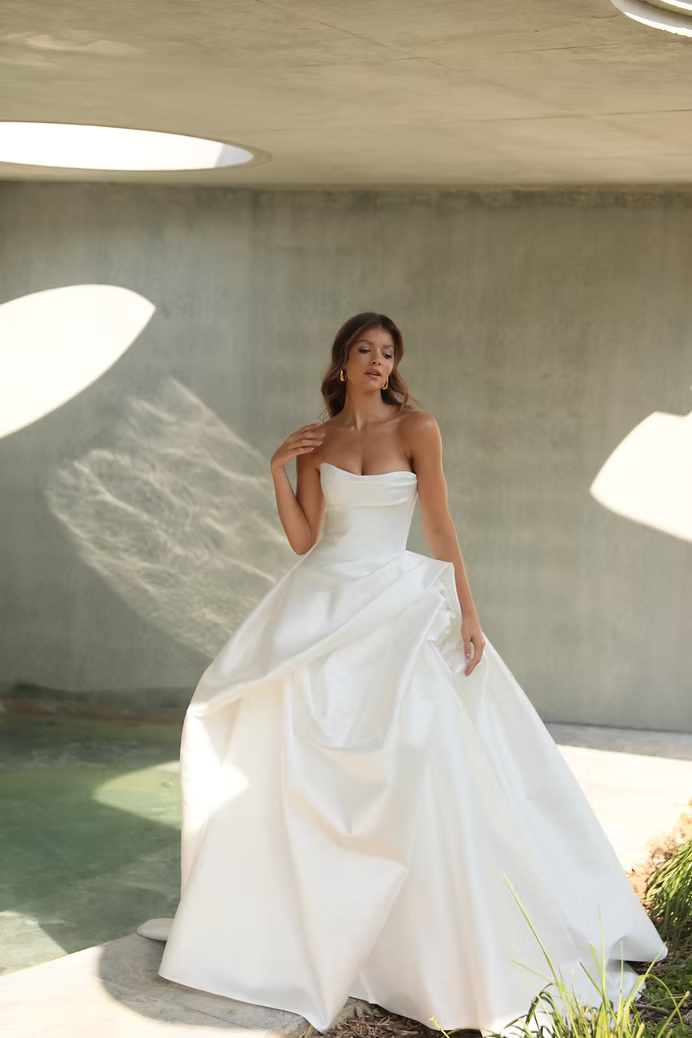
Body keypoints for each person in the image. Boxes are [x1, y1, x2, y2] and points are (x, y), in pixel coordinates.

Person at [145, 312, 667, 1037]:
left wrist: (468, 612)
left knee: (421, 758)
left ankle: (420, 938)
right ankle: (301, 923)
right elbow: (304, 540)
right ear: (341, 361)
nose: (378, 362)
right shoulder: (316, 439)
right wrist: (275, 468)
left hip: (398, 601)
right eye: (365, 350)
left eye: (388, 353)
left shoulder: (418, 427)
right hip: (322, 602)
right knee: (296, 755)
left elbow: (441, 524)